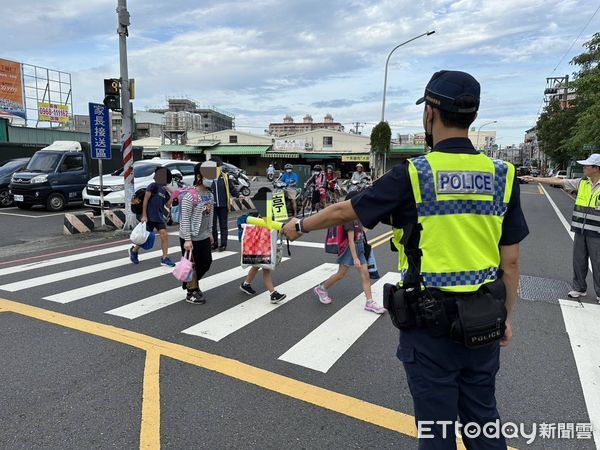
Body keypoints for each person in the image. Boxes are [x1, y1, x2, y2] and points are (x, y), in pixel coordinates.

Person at [283, 70, 529, 449]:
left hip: (430, 327)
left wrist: (299, 224)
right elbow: (510, 263)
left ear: (430, 113)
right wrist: (506, 318)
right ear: (473, 117)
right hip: (485, 321)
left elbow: (346, 211)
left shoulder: (415, 174)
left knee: (437, 433)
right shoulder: (503, 175)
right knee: (483, 422)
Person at [521, 154, 600, 303]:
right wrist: (535, 179)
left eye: (587, 165)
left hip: (597, 232)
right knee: (578, 261)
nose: (584, 167)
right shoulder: (582, 182)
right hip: (580, 230)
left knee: (598, 263)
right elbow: (558, 181)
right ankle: (579, 288)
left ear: (596, 168)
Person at [314, 191, 385, 313]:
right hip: (349, 250)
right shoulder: (348, 218)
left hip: (359, 248)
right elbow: (351, 240)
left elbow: (361, 233)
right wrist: (355, 258)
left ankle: (369, 302)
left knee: (365, 275)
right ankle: (321, 288)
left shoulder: (357, 215)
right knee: (341, 274)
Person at [179, 164, 215, 304]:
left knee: (206, 262)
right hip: (190, 237)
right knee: (192, 264)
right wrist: (187, 239)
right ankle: (192, 291)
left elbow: (210, 214)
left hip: (204, 235)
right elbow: (185, 219)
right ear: (199, 177)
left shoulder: (209, 195)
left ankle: (189, 282)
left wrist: (211, 232)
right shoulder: (190, 196)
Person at [129, 167, 176, 267]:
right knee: (144, 238)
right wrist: (144, 215)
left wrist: (173, 194)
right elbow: (145, 199)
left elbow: (167, 205)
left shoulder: (164, 191)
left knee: (164, 235)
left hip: (159, 217)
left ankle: (165, 258)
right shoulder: (153, 186)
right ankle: (134, 250)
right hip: (149, 217)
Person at [211, 159, 239, 252]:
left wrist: (238, 195)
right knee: (212, 226)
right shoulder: (207, 178)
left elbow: (231, 188)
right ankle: (214, 243)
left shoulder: (225, 177)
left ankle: (223, 244)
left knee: (223, 226)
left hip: (223, 205)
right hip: (211, 206)